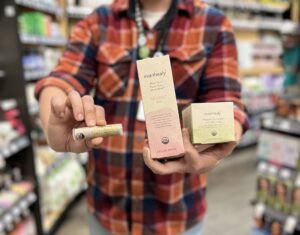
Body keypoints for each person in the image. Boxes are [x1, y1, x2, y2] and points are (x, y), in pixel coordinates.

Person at [35, 0, 248, 234]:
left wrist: (221, 143)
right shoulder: (98, 22)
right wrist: (55, 121)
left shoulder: (213, 24)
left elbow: (226, 102)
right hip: (106, 209)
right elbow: (62, 79)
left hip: (178, 211)